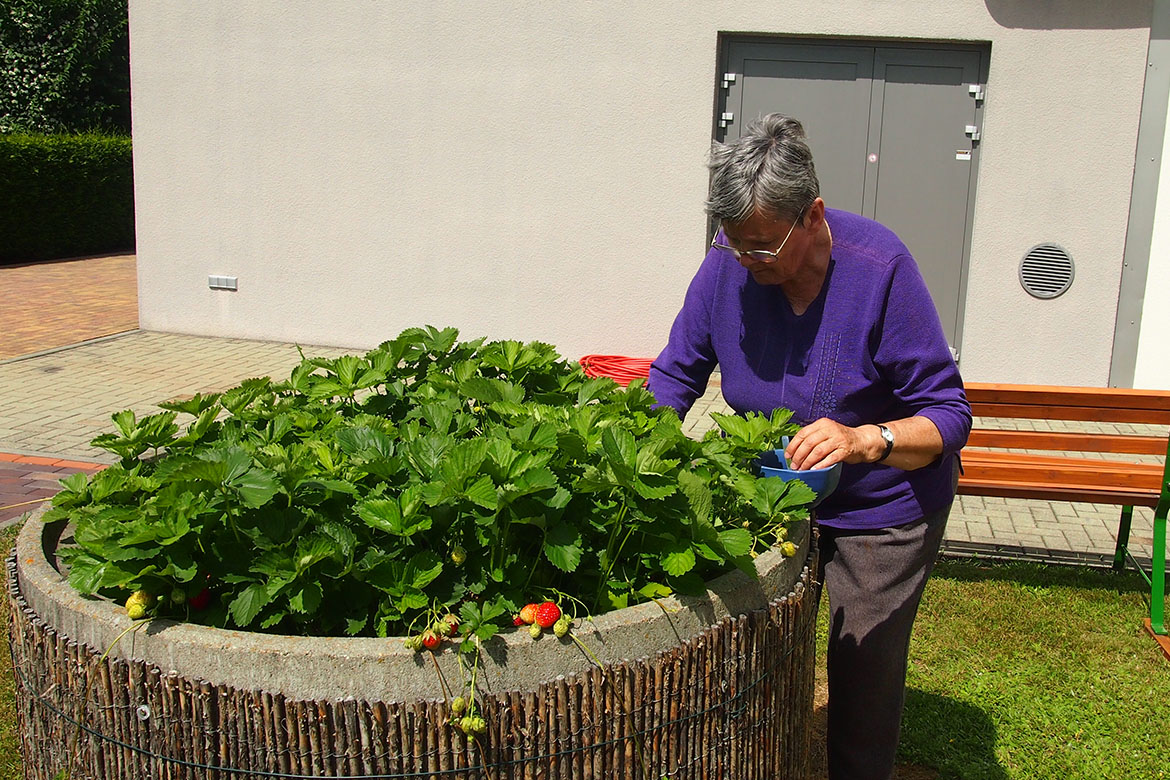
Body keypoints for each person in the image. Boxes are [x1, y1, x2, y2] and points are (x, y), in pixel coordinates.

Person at [647, 113, 971, 780]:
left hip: (885, 508)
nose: (746, 261)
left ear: (813, 215)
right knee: (758, 652)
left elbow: (948, 415)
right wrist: (636, 448)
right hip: (774, 498)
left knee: (862, 667)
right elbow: (677, 371)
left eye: (762, 247)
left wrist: (863, 438)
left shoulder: (880, 269)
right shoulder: (727, 266)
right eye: (734, 244)